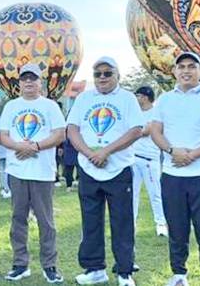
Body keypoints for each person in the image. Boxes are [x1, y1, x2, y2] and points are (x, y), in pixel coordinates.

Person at [149, 52, 200, 286]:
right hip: (173, 176)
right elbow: (155, 131)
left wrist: (191, 155)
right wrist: (173, 151)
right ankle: (178, 274)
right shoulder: (164, 100)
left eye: (191, 66)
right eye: (181, 66)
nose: (186, 71)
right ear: (174, 71)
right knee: (177, 229)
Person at [66, 57, 144, 286]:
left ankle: (124, 272)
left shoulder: (127, 98)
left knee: (122, 221)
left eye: (107, 73)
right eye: (97, 73)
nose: (102, 78)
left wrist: (106, 152)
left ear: (117, 75)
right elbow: (72, 129)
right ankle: (94, 269)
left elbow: (136, 130)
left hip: (118, 169)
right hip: (90, 169)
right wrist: (91, 153)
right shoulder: (84, 98)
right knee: (90, 220)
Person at [0, 63, 66, 283]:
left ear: (41, 82)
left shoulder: (50, 106)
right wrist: (20, 147)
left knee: (45, 221)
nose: (29, 82)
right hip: (18, 171)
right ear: (19, 83)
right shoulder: (11, 106)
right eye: (24, 78)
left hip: (42, 173)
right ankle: (20, 264)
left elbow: (59, 135)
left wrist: (35, 147)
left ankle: (50, 265)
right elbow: (3, 136)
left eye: (33, 78)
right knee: (18, 219)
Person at [131, 86, 168, 237]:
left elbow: (145, 131)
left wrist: (135, 132)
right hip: (133, 158)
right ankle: (131, 223)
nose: (136, 99)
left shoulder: (155, 113)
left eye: (138, 96)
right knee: (132, 193)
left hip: (150, 159)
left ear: (145, 97)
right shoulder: (135, 113)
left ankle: (160, 223)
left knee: (155, 193)